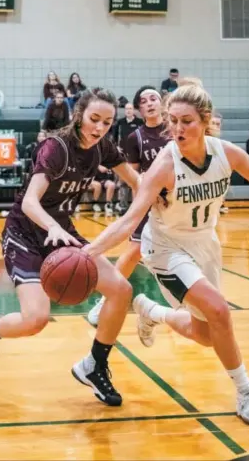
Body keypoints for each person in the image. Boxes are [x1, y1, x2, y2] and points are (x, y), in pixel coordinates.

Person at [83, 85, 249, 426]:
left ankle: (151, 311)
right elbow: (129, 222)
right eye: (173, 121)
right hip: (166, 249)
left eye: (186, 121)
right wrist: (90, 252)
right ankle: (246, 392)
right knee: (219, 310)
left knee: (206, 335)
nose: (178, 128)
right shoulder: (164, 165)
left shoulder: (226, 153)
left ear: (206, 121)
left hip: (205, 245)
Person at [0, 88, 140, 408]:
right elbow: (30, 202)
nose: (99, 128)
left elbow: (139, 182)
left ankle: (94, 365)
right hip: (26, 234)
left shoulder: (104, 148)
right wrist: (54, 226)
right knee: (36, 319)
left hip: (62, 235)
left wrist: (159, 197)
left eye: (107, 122)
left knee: (121, 290)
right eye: (94, 119)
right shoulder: (55, 148)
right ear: (79, 115)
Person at [88, 86, 170, 326]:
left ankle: (188, 307)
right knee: (134, 252)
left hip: (178, 204)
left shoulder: (175, 131)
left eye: (154, 98)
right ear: (139, 109)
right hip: (150, 203)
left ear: (162, 103)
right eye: (144, 101)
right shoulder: (136, 138)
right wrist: (139, 208)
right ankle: (105, 300)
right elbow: (132, 177)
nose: (150, 103)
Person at [112, 102, 144, 214]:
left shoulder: (140, 123)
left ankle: (137, 207)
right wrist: (116, 147)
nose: (128, 111)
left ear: (134, 110)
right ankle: (123, 206)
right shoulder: (120, 123)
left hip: (137, 157)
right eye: (126, 109)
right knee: (124, 182)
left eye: (130, 109)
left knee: (137, 181)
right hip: (124, 157)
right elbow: (114, 138)